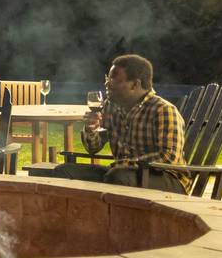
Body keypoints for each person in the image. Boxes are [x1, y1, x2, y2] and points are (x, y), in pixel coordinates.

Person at [51, 54, 188, 193]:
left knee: (117, 176)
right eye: (107, 78)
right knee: (64, 172)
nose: (107, 83)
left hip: (167, 179)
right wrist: (91, 128)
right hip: (120, 173)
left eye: (114, 78)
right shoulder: (111, 107)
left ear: (135, 84)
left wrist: (124, 164)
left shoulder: (163, 110)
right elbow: (93, 148)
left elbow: (169, 157)